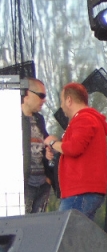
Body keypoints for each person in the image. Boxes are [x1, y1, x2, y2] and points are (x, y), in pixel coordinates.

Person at [45, 83, 107, 221]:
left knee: (66, 232)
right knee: (81, 233)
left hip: (80, 191)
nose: (61, 106)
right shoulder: (87, 119)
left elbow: (74, 148)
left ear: (69, 100)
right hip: (85, 191)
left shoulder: (84, 119)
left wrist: (52, 143)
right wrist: (56, 150)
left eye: (62, 101)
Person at [21, 78, 56, 213]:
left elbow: (45, 145)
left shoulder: (39, 119)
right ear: (27, 94)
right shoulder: (12, 118)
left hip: (42, 183)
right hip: (25, 185)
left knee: (38, 222)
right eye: (41, 95)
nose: (44, 100)